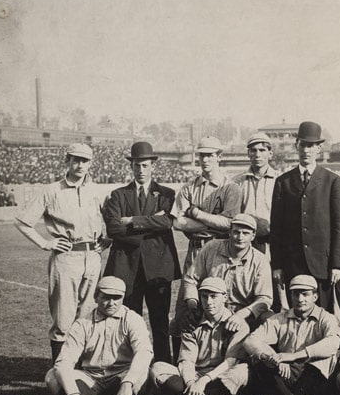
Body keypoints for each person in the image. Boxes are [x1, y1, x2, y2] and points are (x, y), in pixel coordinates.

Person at [14, 143, 110, 361]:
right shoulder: (51, 190)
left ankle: (84, 371)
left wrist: (108, 240)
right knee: (64, 320)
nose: (79, 165)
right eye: (75, 159)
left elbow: (112, 220)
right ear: (67, 161)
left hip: (93, 257)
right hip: (66, 258)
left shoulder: (97, 191)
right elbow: (22, 221)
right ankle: (60, 374)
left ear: (90, 164)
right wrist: (45, 243)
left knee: (88, 317)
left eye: (84, 161)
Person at [102, 141, 181, 364]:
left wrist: (134, 221)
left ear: (152, 166)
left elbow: (167, 221)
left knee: (160, 323)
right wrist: (150, 224)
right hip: (127, 269)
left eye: (145, 165)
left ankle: (164, 368)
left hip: (158, 269)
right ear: (131, 166)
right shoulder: (118, 195)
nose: (141, 169)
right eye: (137, 165)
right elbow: (114, 228)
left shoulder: (166, 194)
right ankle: (129, 367)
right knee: (128, 322)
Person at [44, 276, 153, 395]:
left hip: (121, 375)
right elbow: (64, 362)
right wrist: (73, 394)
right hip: (91, 378)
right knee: (52, 377)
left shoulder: (132, 319)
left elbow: (144, 352)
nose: (111, 303)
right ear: (96, 297)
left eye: (116, 298)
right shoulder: (82, 324)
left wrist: (127, 382)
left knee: (146, 373)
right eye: (106, 297)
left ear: (123, 298)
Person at [270, 121, 340, 310]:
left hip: (322, 264)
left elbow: (339, 225)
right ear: (297, 146)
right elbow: (276, 227)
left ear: (319, 148)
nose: (306, 150)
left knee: (322, 316)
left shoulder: (332, 181)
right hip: (293, 263)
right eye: (303, 144)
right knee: (295, 317)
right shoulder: (283, 182)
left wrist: (336, 263)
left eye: (311, 145)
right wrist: (278, 264)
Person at [243, 275, 340, 395]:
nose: (300, 299)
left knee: (329, 357)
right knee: (259, 357)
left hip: (311, 373)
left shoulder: (326, 318)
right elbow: (250, 340)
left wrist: (292, 356)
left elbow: (334, 343)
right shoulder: (280, 318)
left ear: (315, 296)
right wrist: (274, 357)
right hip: (287, 372)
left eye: (305, 294)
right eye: (296, 294)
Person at [150, 277, 251, 395]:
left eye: (214, 296)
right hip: (195, 375)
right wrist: (192, 383)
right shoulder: (191, 322)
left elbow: (230, 361)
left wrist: (204, 381)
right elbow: (187, 360)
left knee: (242, 372)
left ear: (225, 297)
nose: (209, 302)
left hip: (221, 376)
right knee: (158, 368)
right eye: (204, 296)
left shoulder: (238, 324)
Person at [174, 214, 273, 346]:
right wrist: (193, 305)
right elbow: (190, 279)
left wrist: (241, 315)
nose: (240, 237)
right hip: (211, 308)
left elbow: (264, 298)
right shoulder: (211, 248)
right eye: (236, 232)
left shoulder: (260, 261)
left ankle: (259, 362)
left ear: (253, 236)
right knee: (181, 320)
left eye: (245, 233)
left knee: (268, 319)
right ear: (229, 232)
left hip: (242, 313)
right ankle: (181, 361)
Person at [171, 135, 242, 274]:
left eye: (209, 155)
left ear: (219, 156)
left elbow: (230, 223)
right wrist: (214, 223)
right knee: (189, 294)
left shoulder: (231, 188)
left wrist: (197, 214)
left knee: (218, 294)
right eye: (201, 155)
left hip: (221, 251)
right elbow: (177, 223)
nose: (204, 160)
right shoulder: (189, 187)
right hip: (195, 250)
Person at [234, 132, 279, 257]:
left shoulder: (280, 180)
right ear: (248, 153)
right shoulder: (237, 181)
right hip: (244, 244)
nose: (257, 154)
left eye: (262, 150)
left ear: (270, 154)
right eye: (253, 150)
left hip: (272, 244)